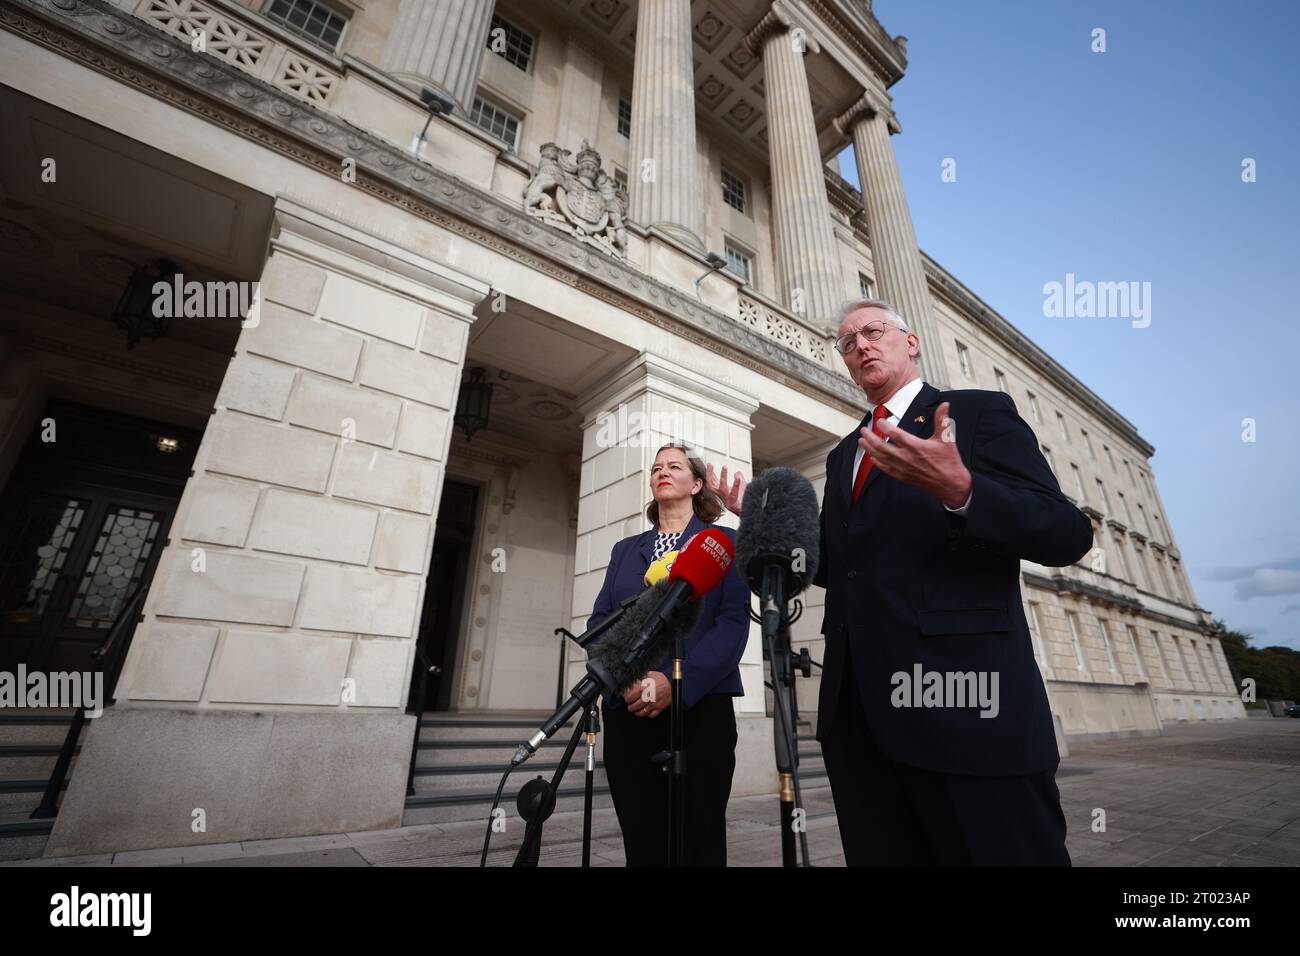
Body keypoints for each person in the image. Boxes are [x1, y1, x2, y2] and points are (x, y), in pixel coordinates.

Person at [802, 297, 1093, 865]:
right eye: (847, 342)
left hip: (968, 715)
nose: (859, 345)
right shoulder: (845, 455)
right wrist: (771, 538)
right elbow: (840, 567)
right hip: (861, 726)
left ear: (910, 342)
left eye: (873, 331)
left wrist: (964, 491)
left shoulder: (976, 413)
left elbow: (1067, 531)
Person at [586, 442, 751, 866]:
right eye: (657, 467)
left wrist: (676, 684)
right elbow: (600, 621)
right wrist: (624, 679)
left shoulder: (723, 542)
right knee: (643, 840)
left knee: (700, 837)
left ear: (697, 484)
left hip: (699, 711)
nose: (663, 471)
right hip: (629, 712)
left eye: (675, 466)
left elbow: (731, 625)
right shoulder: (625, 551)